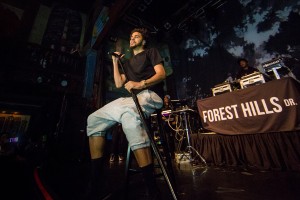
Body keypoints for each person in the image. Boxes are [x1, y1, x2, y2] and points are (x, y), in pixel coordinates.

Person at [86, 27, 166, 200]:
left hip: (151, 94)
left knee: (129, 114)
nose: (132, 38)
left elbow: (161, 74)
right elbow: (117, 83)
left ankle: (152, 188)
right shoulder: (127, 63)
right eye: (131, 36)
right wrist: (115, 62)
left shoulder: (151, 52)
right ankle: (96, 181)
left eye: (136, 36)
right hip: (133, 100)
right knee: (93, 119)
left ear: (143, 41)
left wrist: (141, 84)